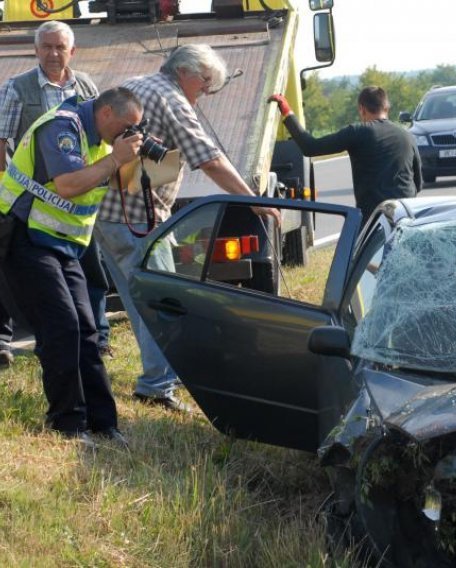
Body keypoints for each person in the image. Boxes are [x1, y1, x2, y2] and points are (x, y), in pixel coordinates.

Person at [95, 44, 279, 412]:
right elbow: (209, 160)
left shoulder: (138, 85)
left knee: (138, 302)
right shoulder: (172, 99)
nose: (207, 91)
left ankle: (157, 377)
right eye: (205, 82)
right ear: (186, 72)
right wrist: (253, 199)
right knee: (167, 304)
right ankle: (158, 386)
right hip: (139, 221)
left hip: (109, 216)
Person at [0, 87, 144, 447]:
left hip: (62, 244)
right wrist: (116, 158)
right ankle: (67, 425)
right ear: (107, 112)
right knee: (61, 326)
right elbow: (67, 185)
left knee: (87, 329)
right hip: (25, 236)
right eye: (126, 126)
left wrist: (135, 160)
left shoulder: (98, 141)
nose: (126, 135)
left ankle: (103, 424)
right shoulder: (63, 127)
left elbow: (116, 185)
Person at [0, 21, 112, 367]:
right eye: (46, 47)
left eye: (59, 47)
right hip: (31, 204)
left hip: (76, 204)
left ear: (72, 51)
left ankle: (98, 338)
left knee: (90, 269)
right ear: (35, 50)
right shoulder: (16, 89)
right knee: (12, 271)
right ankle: (4, 342)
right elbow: (2, 144)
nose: (53, 54)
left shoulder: (87, 87)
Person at [268, 86, 422, 225]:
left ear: (362, 109)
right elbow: (418, 183)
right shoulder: (407, 136)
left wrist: (287, 111)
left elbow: (310, 147)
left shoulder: (358, 132)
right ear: (386, 107)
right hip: (406, 217)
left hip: (374, 221)